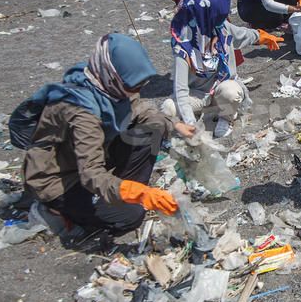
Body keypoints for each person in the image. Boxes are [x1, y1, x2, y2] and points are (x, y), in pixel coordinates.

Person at [20, 33, 193, 236]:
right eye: (133, 85)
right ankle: (53, 210)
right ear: (112, 74)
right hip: (61, 180)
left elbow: (140, 108)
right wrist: (140, 194)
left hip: (93, 154)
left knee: (155, 125)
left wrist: (175, 124)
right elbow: (91, 175)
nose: (136, 90)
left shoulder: (110, 85)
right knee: (130, 216)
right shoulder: (82, 111)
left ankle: (119, 191)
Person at [162, 0, 283, 139]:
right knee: (168, 107)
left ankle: (226, 118)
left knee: (230, 92)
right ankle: (197, 115)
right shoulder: (184, 44)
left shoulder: (221, 28)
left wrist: (262, 37)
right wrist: (191, 124)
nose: (222, 19)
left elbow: (243, 34)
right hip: (197, 95)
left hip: (222, 88)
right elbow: (180, 90)